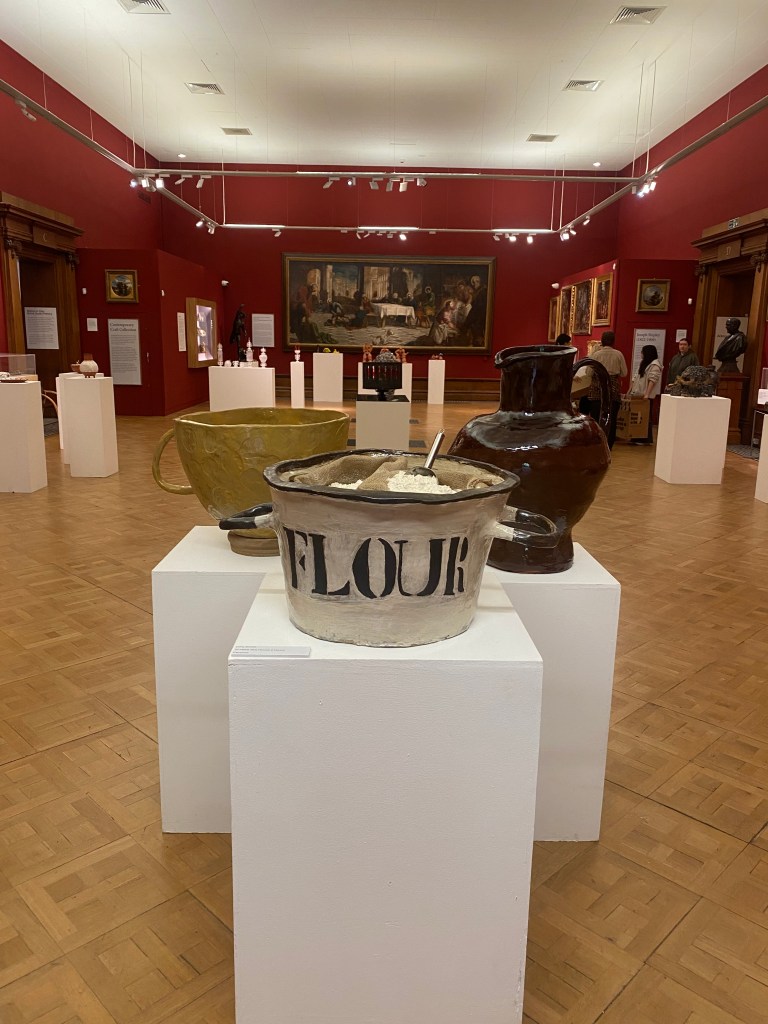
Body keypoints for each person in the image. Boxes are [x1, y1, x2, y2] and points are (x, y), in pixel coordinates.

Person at [580, 331, 627, 450]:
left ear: (602, 341)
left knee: (596, 418)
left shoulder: (596, 355)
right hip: (612, 389)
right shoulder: (618, 354)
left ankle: (597, 444)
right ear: (613, 341)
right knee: (612, 419)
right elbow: (624, 373)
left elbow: (589, 373)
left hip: (597, 389)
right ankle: (608, 446)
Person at [628, 344, 663, 444]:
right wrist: (629, 390)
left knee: (645, 416)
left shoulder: (655, 365)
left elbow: (653, 380)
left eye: (642, 352)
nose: (641, 354)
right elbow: (635, 377)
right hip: (637, 393)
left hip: (645, 395)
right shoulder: (643, 363)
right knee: (636, 415)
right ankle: (636, 436)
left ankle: (645, 438)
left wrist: (647, 393)